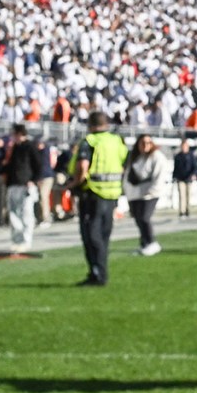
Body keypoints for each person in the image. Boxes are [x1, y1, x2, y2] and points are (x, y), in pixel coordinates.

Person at [67, 110, 129, 286]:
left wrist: (72, 184)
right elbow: (124, 162)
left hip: (92, 192)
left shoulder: (90, 142)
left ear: (90, 125)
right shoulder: (117, 141)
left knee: (91, 236)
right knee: (104, 235)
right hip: (112, 193)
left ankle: (98, 273)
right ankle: (98, 272)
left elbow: (82, 166)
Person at [0, 123, 49, 253]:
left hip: (26, 185)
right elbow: (10, 166)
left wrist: (33, 181)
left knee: (26, 213)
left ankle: (26, 241)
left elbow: (39, 165)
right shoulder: (15, 148)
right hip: (13, 184)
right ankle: (16, 240)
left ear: (19, 134)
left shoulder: (30, 146)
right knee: (13, 214)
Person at [122, 134, 165, 256]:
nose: (145, 146)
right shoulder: (135, 157)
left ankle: (151, 242)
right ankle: (144, 243)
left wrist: (152, 190)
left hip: (149, 193)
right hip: (135, 193)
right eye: (142, 143)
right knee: (138, 219)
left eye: (148, 143)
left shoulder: (156, 156)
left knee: (144, 217)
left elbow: (159, 176)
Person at [171, 137, 197, 218]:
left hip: (188, 178)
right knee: (181, 195)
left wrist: (193, 174)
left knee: (188, 195)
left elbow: (194, 167)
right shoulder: (178, 156)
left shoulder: (191, 155)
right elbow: (175, 168)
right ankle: (182, 211)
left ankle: (188, 210)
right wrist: (174, 177)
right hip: (180, 178)